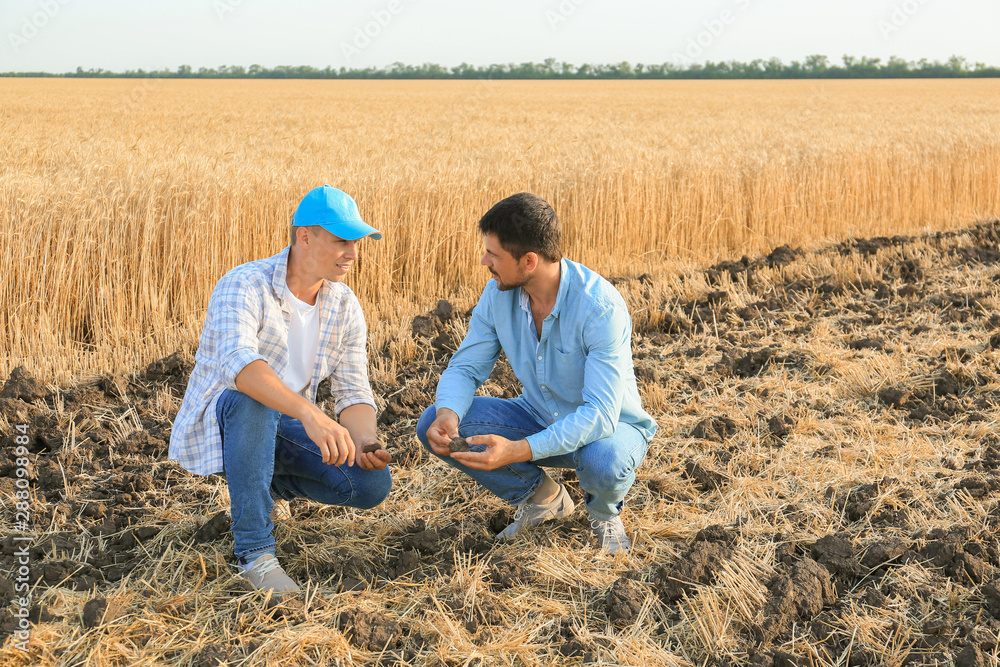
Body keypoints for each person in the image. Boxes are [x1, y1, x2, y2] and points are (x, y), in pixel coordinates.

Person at [169, 185, 392, 594]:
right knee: (253, 401)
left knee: (371, 485)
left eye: (356, 243)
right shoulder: (244, 284)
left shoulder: (344, 305)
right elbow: (241, 368)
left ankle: (263, 484)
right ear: (304, 236)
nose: (353, 254)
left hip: (285, 429)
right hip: (230, 422)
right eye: (342, 240)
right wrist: (311, 415)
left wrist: (365, 440)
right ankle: (256, 555)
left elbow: (354, 389)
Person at [416, 193, 657, 554]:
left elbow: (600, 416)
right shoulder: (498, 295)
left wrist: (518, 450)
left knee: (602, 464)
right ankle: (545, 499)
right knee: (432, 423)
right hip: (539, 416)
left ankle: (604, 513)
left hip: (609, 430)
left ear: (529, 261)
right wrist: (449, 413)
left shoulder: (600, 308)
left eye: (493, 255)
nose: (484, 262)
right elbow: (466, 366)